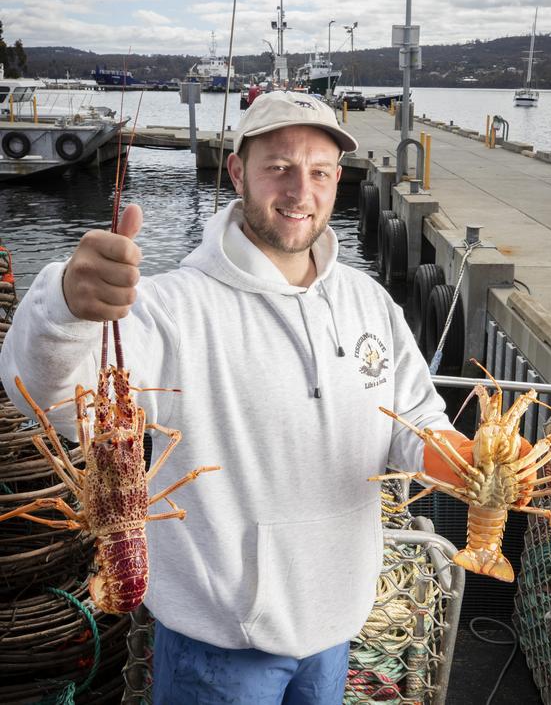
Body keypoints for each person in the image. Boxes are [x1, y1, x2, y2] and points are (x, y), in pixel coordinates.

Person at [1, 91, 493, 704]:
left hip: (335, 626)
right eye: (278, 167)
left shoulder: (369, 302)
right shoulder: (169, 308)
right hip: (218, 648)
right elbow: (51, 400)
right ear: (237, 172)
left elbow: (413, 417)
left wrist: (463, 458)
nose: (299, 191)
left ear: (339, 178)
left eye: (318, 172)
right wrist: (67, 309)